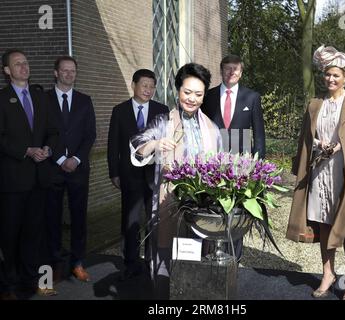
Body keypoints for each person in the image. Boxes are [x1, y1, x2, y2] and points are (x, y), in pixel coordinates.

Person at [286, 45, 345, 300]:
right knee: (323, 221)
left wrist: (342, 145)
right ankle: (327, 273)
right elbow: (305, 139)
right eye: (328, 75)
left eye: (336, 75)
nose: (331, 79)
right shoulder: (315, 104)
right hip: (320, 171)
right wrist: (317, 145)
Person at [130, 63, 222, 299]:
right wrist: (155, 144)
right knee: (167, 252)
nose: (192, 99)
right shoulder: (163, 121)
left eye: (198, 94)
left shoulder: (211, 128)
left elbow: (220, 165)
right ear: (178, 91)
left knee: (199, 253)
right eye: (187, 92)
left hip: (201, 203)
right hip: (168, 199)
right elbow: (137, 146)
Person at [0, 49, 59, 299]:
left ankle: (29, 281)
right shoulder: (2, 99)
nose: (24, 67)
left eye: (26, 63)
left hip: (39, 179)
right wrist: (26, 150)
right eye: (17, 64)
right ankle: (6, 285)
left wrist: (47, 148)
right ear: (6, 71)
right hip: (13, 180)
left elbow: (53, 131)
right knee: (9, 235)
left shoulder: (41, 98)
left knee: (33, 234)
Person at [201, 54, 266, 260]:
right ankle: (212, 257)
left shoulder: (252, 97)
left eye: (235, 69)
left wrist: (258, 166)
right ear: (221, 71)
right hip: (212, 164)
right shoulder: (208, 96)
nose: (231, 73)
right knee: (212, 210)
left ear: (241, 72)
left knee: (237, 211)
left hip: (242, 165)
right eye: (227, 69)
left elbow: (259, 133)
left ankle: (234, 260)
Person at [107, 69, 169, 280]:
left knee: (154, 220)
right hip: (129, 175)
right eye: (144, 85)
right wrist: (113, 172)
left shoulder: (162, 110)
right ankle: (131, 261)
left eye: (152, 86)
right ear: (133, 85)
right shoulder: (120, 111)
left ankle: (152, 260)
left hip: (155, 175)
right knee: (131, 220)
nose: (148, 90)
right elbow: (113, 143)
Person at [46, 56, 96, 283]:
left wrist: (75, 158)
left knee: (78, 218)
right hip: (51, 169)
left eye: (72, 70)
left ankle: (77, 263)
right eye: (64, 70)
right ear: (56, 73)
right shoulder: (43, 99)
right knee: (51, 218)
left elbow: (90, 135)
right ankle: (54, 264)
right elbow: (41, 132)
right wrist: (58, 159)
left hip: (78, 169)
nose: (69, 74)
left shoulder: (85, 101)